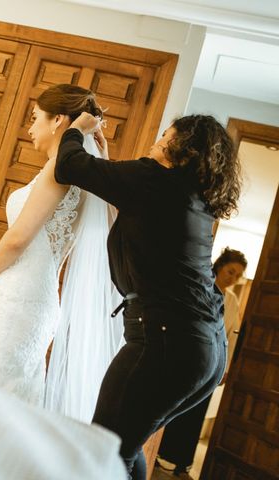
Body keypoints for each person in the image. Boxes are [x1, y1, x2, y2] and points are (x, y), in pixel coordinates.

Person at [54, 113, 241, 479]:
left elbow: (69, 164)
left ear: (183, 147)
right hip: (203, 350)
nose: (157, 138)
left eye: (165, 135)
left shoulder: (154, 180)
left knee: (105, 448)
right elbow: (131, 209)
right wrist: (108, 165)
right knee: (123, 446)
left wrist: (77, 128)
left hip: (168, 342)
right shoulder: (192, 196)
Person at [0, 84, 123, 417]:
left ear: (58, 121)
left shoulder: (58, 169)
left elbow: (18, 238)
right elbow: (112, 217)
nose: (30, 128)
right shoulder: (85, 171)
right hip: (40, 302)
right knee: (13, 399)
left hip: (18, 300)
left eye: (35, 118)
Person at [156, 247, 247, 478]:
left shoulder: (233, 301)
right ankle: (159, 454)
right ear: (219, 266)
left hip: (212, 364)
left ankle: (182, 463)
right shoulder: (201, 288)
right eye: (230, 271)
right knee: (177, 408)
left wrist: (224, 368)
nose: (233, 278)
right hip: (188, 360)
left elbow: (230, 337)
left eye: (237, 275)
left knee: (197, 414)